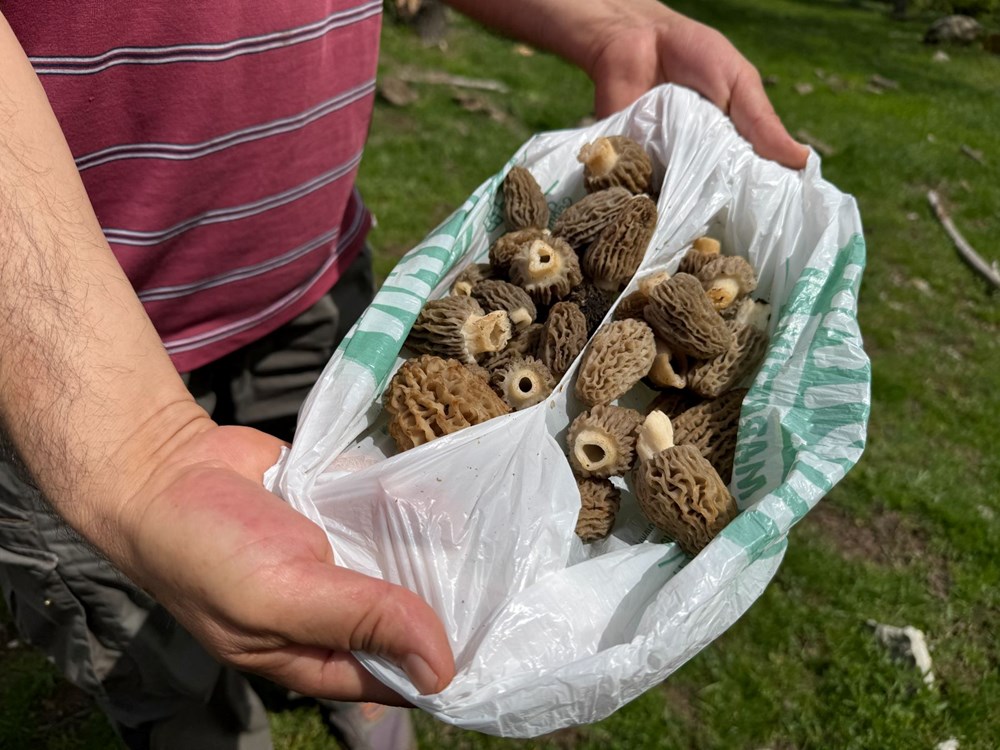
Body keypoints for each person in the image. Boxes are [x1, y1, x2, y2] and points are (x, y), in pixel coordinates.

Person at [0, 1, 808, 748]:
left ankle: (374, 715)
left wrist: (599, 19)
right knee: (149, 654)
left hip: (312, 294)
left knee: (390, 587)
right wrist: (131, 447)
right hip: (55, 375)